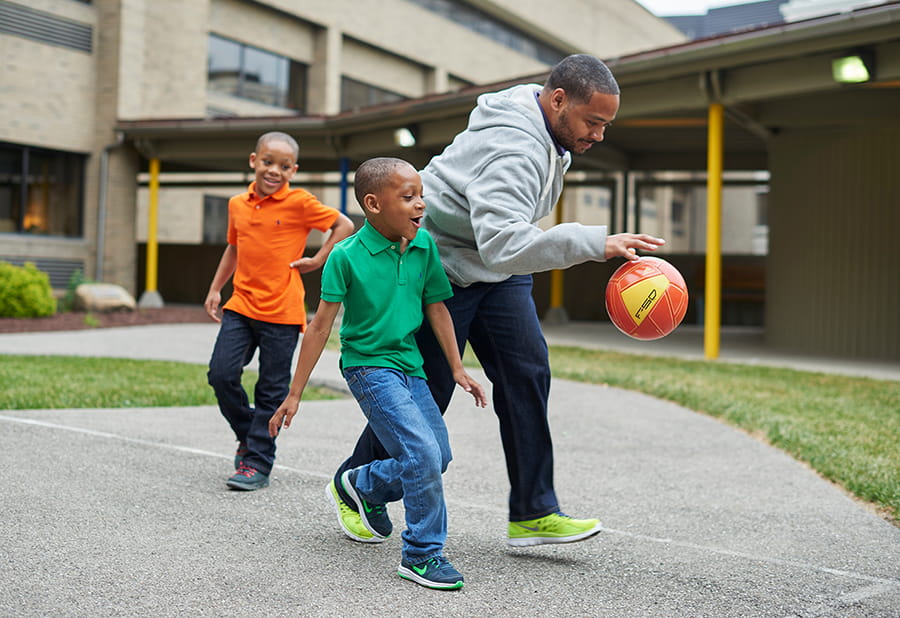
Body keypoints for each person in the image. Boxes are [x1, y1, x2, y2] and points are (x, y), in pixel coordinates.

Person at [332, 55, 666, 546]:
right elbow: (504, 243)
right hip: (440, 269)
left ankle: (534, 510)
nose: (598, 135)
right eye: (592, 121)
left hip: (495, 269)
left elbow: (501, 249)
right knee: (427, 393)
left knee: (527, 373)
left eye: (605, 124)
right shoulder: (516, 148)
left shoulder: (548, 125)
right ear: (557, 101)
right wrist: (595, 242)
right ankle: (356, 483)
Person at [269, 157, 487, 590]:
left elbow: (437, 307)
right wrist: (295, 393)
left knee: (438, 457)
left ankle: (359, 483)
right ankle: (422, 555)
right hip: (368, 367)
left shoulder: (423, 247)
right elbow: (319, 327)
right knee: (422, 455)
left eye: (420, 195)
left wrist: (458, 367)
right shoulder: (345, 257)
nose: (420, 204)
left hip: (412, 366)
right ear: (373, 203)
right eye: (408, 197)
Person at [205, 131, 354, 491]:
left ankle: (256, 461)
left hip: (283, 313)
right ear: (254, 161)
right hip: (240, 305)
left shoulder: (301, 202)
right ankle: (251, 433)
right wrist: (214, 288)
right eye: (268, 162)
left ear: (294, 170)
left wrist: (318, 258)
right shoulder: (237, 204)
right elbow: (233, 248)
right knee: (221, 375)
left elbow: (344, 225)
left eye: (284, 166)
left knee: (271, 390)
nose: (275, 170)